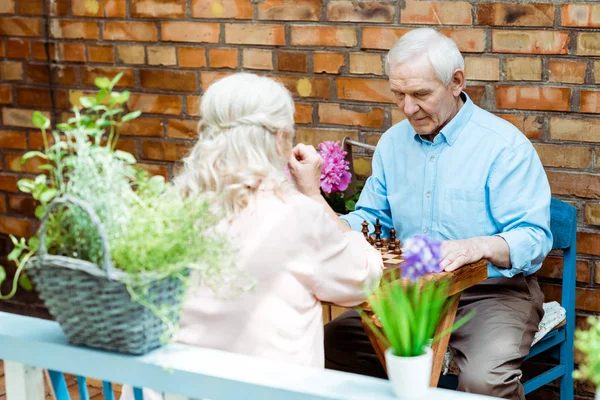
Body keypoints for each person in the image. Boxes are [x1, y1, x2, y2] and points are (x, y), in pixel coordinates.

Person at [121, 73, 383, 400]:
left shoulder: (168, 207)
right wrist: (314, 194)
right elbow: (364, 277)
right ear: (278, 141)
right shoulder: (298, 215)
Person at [324, 28, 552, 400]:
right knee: (331, 343)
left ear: (456, 82)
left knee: (485, 381)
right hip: (414, 293)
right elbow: (371, 220)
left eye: (420, 94)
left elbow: (534, 237)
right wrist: (325, 222)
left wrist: (478, 245)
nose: (407, 108)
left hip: (491, 294)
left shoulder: (503, 146)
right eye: (398, 94)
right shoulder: (392, 145)